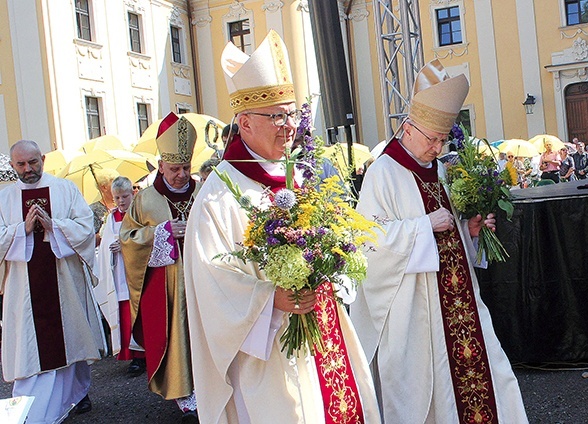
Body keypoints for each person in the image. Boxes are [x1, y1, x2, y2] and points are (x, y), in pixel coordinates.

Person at [183, 30, 380, 423]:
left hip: (324, 330)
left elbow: (335, 238)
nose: (289, 125)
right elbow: (211, 280)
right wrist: (271, 299)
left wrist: (337, 261)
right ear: (245, 122)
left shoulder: (299, 177)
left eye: (292, 113)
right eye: (276, 115)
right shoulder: (219, 193)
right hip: (267, 350)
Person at [350, 60, 528, 423]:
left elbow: (449, 232)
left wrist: (470, 231)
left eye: (443, 139)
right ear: (407, 128)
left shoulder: (441, 169)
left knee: (490, 375)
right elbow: (367, 241)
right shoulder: (383, 174)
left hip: (460, 302)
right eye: (431, 138)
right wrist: (421, 226)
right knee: (424, 396)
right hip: (413, 312)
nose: (437, 147)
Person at [0, 140, 105, 422]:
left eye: (33, 162)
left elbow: (85, 226)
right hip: (23, 289)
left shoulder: (64, 189)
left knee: (68, 341)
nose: (28, 169)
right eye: (21, 164)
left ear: (42, 159)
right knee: (30, 352)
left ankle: (69, 400)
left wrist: (54, 226)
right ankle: (31, 413)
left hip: (63, 284)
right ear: (12, 166)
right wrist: (21, 230)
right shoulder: (5, 199)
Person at [120, 112, 199, 423]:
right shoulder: (146, 199)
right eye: (175, 168)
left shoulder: (203, 191)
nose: (181, 175)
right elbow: (128, 238)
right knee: (178, 333)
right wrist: (162, 233)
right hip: (165, 287)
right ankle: (183, 389)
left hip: (202, 279)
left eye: (186, 168)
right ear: (161, 165)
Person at [94, 176, 146, 376]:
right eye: (117, 198)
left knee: (139, 313)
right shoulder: (111, 218)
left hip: (136, 272)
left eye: (125, 196)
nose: (121, 201)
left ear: (132, 194)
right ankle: (133, 356)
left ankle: (146, 353)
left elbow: (145, 238)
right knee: (124, 315)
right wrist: (111, 247)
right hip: (119, 273)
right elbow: (106, 243)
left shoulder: (139, 214)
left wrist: (125, 245)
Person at [89, 169, 119, 246]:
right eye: (115, 184)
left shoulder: (124, 204)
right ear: (104, 188)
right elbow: (91, 241)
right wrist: (104, 230)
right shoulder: (93, 209)